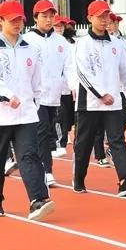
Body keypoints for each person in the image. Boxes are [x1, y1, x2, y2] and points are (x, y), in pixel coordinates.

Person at [0, 1, 56, 220]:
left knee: (29, 155)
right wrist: (7, 96)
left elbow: (36, 81)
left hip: (26, 114)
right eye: (12, 20)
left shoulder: (30, 49)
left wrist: (34, 102)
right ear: (1, 21)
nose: (16, 24)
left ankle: (38, 199)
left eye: (19, 20)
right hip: (0, 114)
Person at [66, 0, 126, 196]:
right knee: (84, 143)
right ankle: (79, 178)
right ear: (90, 18)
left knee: (117, 140)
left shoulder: (117, 44)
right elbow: (82, 72)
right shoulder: (82, 43)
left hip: (113, 102)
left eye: (107, 16)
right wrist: (100, 94)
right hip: (90, 103)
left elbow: (125, 72)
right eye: (100, 16)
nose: (105, 20)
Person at [22, 0, 69, 187]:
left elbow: (69, 66)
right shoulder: (27, 40)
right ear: (35, 18)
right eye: (44, 16)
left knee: (47, 133)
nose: (49, 20)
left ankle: (33, 164)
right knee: (41, 132)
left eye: (51, 16)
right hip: (34, 96)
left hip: (54, 95)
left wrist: (72, 87)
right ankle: (46, 171)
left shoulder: (61, 41)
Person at [54, 16, 76, 154]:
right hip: (54, 89)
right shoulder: (50, 43)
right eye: (57, 26)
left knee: (67, 117)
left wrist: (73, 84)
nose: (60, 28)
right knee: (60, 115)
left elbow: (71, 66)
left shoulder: (70, 44)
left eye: (61, 26)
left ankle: (62, 137)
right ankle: (59, 143)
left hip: (68, 87)